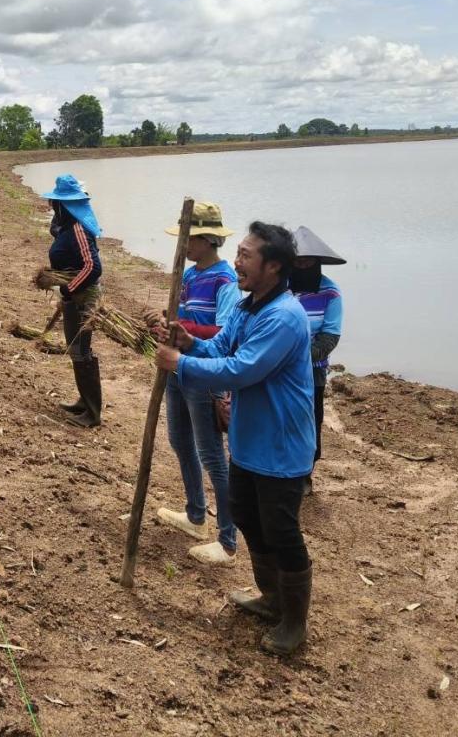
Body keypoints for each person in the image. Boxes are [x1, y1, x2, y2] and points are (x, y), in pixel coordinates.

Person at [154, 222, 316, 655]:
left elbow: (241, 369)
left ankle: (295, 622)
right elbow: (221, 348)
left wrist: (179, 365)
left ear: (274, 266)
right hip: (248, 440)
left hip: (281, 446)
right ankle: (271, 598)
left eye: (246, 255)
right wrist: (189, 343)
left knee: (282, 530)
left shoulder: (284, 317)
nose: (238, 261)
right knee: (247, 515)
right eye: (239, 253)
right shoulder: (249, 308)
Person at [152, 202, 241, 566]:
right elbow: (182, 315)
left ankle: (228, 540)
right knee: (179, 440)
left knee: (212, 455)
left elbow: (223, 332)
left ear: (207, 239)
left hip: (204, 374)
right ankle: (195, 515)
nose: (183, 246)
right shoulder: (189, 276)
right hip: (178, 369)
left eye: (189, 239)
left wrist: (184, 333)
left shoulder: (225, 281)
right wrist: (164, 322)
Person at [41, 174, 104, 428]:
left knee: (81, 351)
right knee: (76, 350)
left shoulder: (78, 228)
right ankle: (84, 401)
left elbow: (93, 267)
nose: (51, 206)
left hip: (83, 298)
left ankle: (92, 413)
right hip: (73, 296)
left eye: (55, 203)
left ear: (64, 204)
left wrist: (69, 289)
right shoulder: (66, 225)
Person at [290, 226, 345, 494]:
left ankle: (305, 474)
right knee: (281, 417)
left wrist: (298, 357)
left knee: (310, 420)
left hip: (313, 370)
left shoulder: (330, 293)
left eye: (307, 261)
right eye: (296, 261)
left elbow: (330, 337)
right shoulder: (279, 287)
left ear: (317, 262)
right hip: (276, 368)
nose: (301, 266)